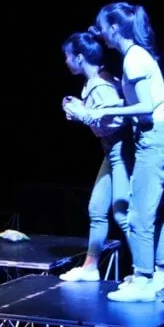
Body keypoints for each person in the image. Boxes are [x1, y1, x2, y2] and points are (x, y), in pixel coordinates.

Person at [65, 2, 164, 306]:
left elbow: (146, 107)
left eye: (103, 26)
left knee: (137, 214)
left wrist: (99, 112)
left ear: (115, 27)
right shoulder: (133, 57)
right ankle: (161, 274)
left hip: (154, 136)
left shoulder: (133, 59)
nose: (101, 32)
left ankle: (145, 278)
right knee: (146, 210)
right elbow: (137, 101)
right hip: (151, 135)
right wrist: (104, 107)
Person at [59, 32, 132, 281]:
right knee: (97, 208)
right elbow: (101, 114)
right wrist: (81, 108)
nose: (66, 61)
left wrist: (82, 114)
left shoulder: (101, 84)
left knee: (122, 214)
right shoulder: (95, 82)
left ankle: (147, 272)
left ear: (79, 57)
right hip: (111, 151)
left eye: (68, 56)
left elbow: (118, 119)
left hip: (122, 149)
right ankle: (90, 267)